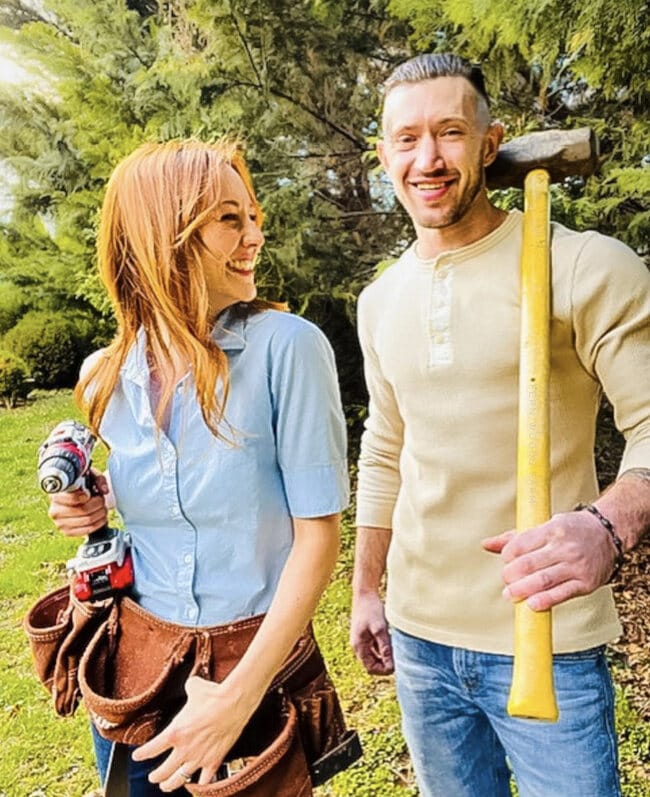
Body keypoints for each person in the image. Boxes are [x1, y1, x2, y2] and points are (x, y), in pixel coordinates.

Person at [350, 52, 650, 797]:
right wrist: (365, 589)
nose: (428, 159)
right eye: (407, 139)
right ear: (384, 153)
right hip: (420, 638)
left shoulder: (584, 266)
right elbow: (385, 450)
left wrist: (607, 525)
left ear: (493, 143)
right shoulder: (379, 300)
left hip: (545, 637)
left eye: (450, 132)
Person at [47, 138, 351, 795]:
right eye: (229, 219)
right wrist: (92, 505)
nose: (254, 238)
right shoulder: (103, 376)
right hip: (138, 670)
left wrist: (237, 698)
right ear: (166, 234)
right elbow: (140, 510)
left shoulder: (288, 350)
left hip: (251, 678)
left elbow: (318, 539)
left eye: (253, 218)